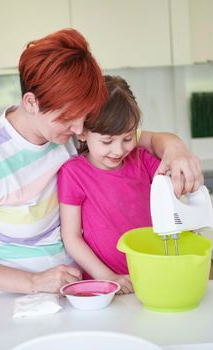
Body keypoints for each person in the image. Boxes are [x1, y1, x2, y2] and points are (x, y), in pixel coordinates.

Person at [0, 28, 203, 295]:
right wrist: (34, 282)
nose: (78, 129)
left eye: (82, 117)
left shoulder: (71, 133)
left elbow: (149, 140)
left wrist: (176, 149)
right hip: (15, 303)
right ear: (31, 102)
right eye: (67, 118)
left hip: (82, 291)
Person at [58, 75, 161, 294]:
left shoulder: (141, 159)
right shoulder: (73, 173)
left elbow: (170, 176)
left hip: (152, 273)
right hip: (104, 285)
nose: (119, 150)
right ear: (84, 133)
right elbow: (71, 236)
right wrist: (108, 278)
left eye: (128, 138)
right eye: (107, 141)